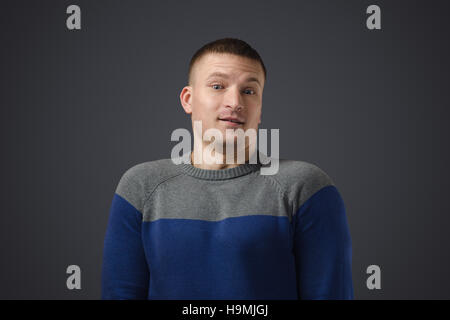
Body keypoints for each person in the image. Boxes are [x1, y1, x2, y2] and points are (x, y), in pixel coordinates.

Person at [101, 38, 354, 299]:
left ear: (260, 107)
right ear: (188, 99)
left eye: (249, 91)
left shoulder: (305, 187)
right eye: (217, 86)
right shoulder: (141, 186)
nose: (235, 102)